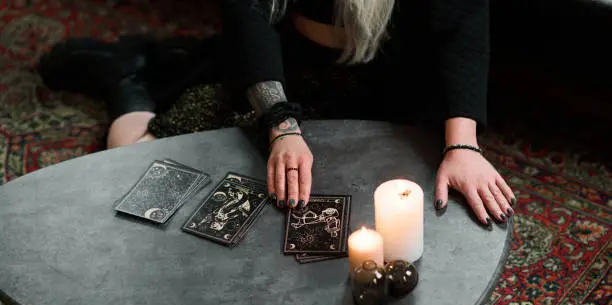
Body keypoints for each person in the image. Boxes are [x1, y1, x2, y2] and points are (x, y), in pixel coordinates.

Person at [38, 0, 515, 229]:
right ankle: (128, 82)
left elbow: (464, 23)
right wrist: (281, 123)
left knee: (394, 202)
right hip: (285, 72)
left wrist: (463, 144)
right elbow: (247, 13)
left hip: (388, 77)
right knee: (145, 162)